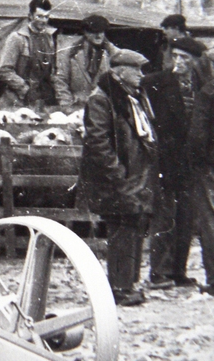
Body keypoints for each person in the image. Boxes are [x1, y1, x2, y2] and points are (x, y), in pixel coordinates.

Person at [77, 49, 158, 306]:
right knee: (122, 230)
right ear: (119, 71)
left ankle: (128, 284)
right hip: (116, 180)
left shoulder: (133, 97)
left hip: (136, 177)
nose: (141, 75)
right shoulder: (101, 100)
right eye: (136, 70)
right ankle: (119, 288)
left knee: (133, 226)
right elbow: (98, 143)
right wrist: (117, 174)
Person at [143, 36, 205, 289]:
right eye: (176, 56)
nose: (178, 62)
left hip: (191, 163)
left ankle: (178, 272)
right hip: (165, 161)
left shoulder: (202, 84)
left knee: (187, 218)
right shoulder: (154, 83)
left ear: (195, 62)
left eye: (185, 58)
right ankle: (159, 273)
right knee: (164, 217)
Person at [0, 0, 56, 108]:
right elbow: (4, 70)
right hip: (16, 101)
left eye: (46, 17)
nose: (43, 21)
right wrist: (25, 89)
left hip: (40, 100)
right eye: (39, 16)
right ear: (30, 16)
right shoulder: (17, 38)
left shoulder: (49, 39)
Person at [54, 14, 119, 111]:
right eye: (94, 32)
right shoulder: (71, 53)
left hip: (104, 110)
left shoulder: (115, 54)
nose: (99, 35)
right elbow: (61, 80)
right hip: (77, 108)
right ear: (85, 32)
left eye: (101, 31)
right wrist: (67, 104)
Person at [187, 73, 214, 296]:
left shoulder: (208, 91)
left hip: (210, 166)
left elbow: (198, 133)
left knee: (210, 221)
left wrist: (197, 162)